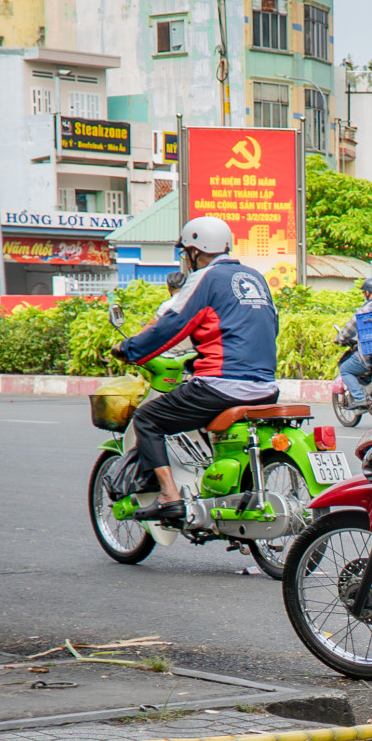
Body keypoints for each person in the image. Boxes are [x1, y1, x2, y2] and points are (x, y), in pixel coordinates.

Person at [112, 216, 280, 524]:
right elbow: (269, 326)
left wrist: (130, 350)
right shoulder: (255, 277)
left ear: (195, 251)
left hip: (221, 387)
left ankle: (169, 496)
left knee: (148, 419)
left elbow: (172, 325)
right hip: (267, 387)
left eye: (185, 253)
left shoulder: (205, 278)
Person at [333, 274, 372, 408]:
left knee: (345, 369)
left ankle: (361, 398)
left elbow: (349, 329)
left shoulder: (365, 310)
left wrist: (339, 338)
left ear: (367, 293)